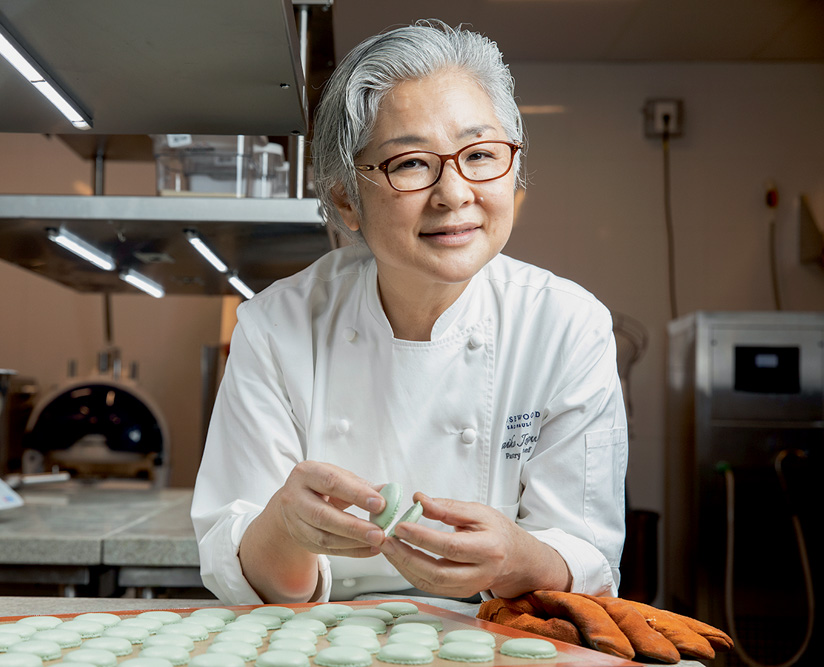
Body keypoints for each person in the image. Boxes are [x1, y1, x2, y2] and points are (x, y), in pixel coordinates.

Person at [191, 19, 628, 605]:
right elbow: (240, 567)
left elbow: (587, 558)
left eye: (480, 154)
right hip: (315, 640)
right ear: (347, 198)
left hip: (494, 634)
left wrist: (518, 556)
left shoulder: (567, 327)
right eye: (412, 164)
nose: (454, 193)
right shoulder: (276, 327)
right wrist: (286, 532)